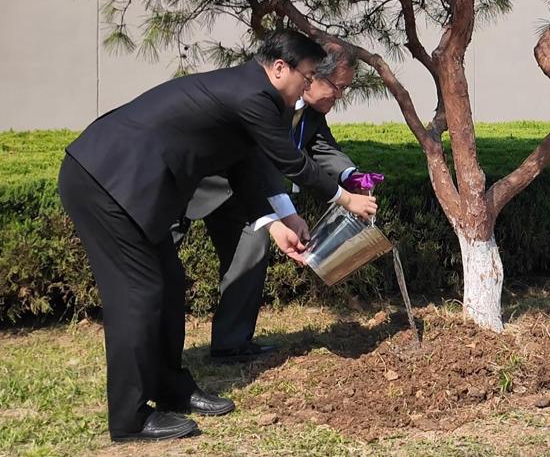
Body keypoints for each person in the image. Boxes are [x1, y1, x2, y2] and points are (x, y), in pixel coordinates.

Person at [57, 30, 377, 442]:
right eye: (308, 74)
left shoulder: (250, 93)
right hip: (106, 181)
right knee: (138, 295)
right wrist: (344, 198)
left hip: (130, 186)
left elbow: (245, 169)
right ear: (280, 68)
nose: (307, 85)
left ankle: (169, 386)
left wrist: (277, 221)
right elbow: (291, 162)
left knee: (169, 284)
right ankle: (129, 418)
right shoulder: (253, 95)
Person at [174, 49, 366, 362]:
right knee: (159, 267)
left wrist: (353, 177)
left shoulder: (313, 115)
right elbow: (266, 161)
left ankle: (231, 345)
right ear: (311, 76)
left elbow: (323, 149)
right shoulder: (270, 103)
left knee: (252, 246)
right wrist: (289, 213)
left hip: (245, 190)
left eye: (346, 88)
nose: (340, 96)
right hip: (198, 182)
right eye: (337, 86)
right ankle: (158, 358)